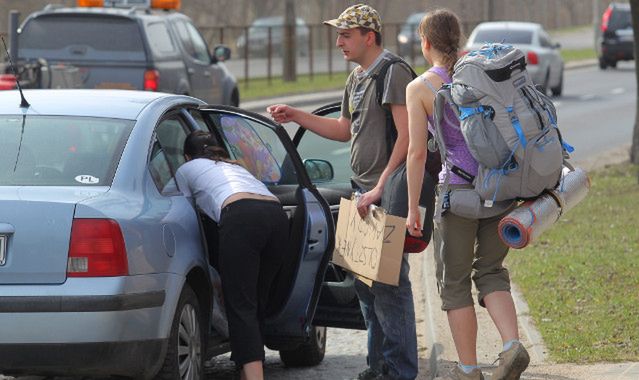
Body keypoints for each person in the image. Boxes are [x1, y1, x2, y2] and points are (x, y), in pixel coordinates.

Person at [267, 4, 418, 380]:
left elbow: (408, 136)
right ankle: (377, 366)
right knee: (364, 289)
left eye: (346, 35)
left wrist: (381, 187)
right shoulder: (356, 77)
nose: (338, 42)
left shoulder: (393, 72)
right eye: (338, 35)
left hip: (386, 192)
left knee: (390, 287)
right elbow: (342, 129)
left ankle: (400, 371)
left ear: (369, 36)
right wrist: (296, 115)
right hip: (360, 192)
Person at [404, 9, 530, 380]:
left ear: (425, 42)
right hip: (502, 188)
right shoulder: (484, 70)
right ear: (458, 37)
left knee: (454, 284)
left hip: (457, 195)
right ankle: (511, 346)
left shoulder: (420, 88)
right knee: (492, 271)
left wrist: (413, 208)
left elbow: (415, 153)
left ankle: (468, 369)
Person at [174, 131, 289, 380]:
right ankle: (246, 368)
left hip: (240, 216)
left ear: (187, 155)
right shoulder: (234, 166)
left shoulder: (187, 169)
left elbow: (183, 208)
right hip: (276, 216)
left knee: (241, 306)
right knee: (257, 299)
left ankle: (254, 376)